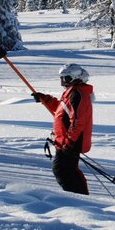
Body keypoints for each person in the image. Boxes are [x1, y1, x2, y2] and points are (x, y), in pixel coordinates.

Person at [32, 63, 94, 195]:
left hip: (70, 141)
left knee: (63, 170)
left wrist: (69, 142)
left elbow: (78, 121)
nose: (62, 82)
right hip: (66, 140)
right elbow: (61, 111)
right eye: (61, 78)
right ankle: (79, 197)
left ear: (74, 78)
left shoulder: (77, 94)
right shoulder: (71, 93)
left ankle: (79, 198)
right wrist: (45, 99)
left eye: (65, 78)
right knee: (66, 170)